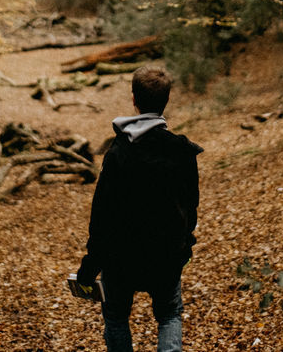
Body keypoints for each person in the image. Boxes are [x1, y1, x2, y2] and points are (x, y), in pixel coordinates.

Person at [76, 65, 202, 352]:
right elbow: (191, 207)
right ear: (166, 100)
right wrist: (184, 245)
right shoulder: (183, 151)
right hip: (166, 256)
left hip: (120, 260)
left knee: (117, 317)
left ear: (134, 98)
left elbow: (102, 218)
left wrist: (89, 266)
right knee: (169, 315)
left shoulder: (119, 154)